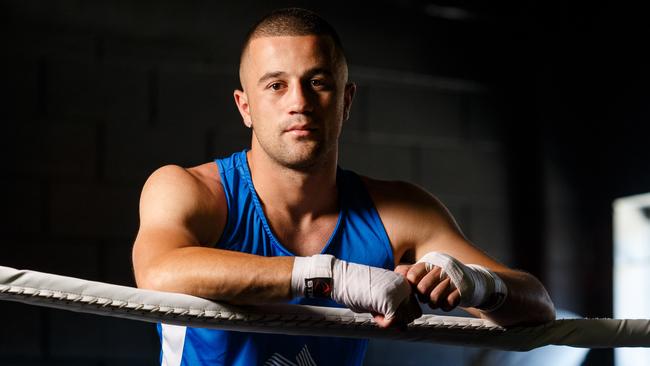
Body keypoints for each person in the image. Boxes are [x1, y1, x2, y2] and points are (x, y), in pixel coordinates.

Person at [132, 7, 555, 366]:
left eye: (317, 82)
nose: (298, 102)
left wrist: (477, 284)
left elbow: (538, 307)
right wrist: (332, 276)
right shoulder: (193, 191)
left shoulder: (398, 212)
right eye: (276, 85)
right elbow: (157, 273)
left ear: (346, 101)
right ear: (246, 107)